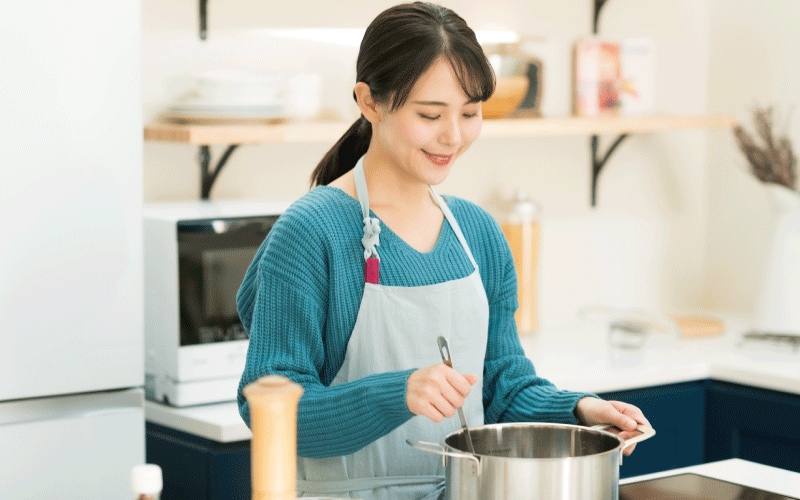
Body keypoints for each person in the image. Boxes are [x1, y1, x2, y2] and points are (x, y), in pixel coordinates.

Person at [237, 2, 650, 499]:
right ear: (369, 102)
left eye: (471, 113)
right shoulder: (312, 232)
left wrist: (579, 411)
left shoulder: (477, 233)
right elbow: (270, 413)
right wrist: (399, 393)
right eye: (430, 114)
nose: (453, 136)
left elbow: (501, 386)